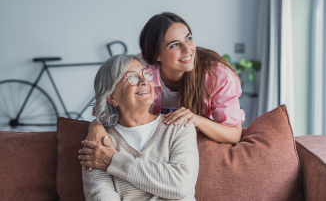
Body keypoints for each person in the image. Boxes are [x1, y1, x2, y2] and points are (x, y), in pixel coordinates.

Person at [82, 12, 245, 170]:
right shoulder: (141, 70)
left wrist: (197, 120)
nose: (187, 49)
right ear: (156, 55)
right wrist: (96, 126)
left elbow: (234, 134)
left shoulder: (218, 76)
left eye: (188, 38)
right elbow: (110, 101)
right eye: (174, 45)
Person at [80, 54, 199, 201]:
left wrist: (113, 160)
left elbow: (181, 185)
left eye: (145, 74)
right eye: (132, 77)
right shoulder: (99, 142)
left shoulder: (179, 126)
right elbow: (101, 195)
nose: (144, 81)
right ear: (111, 97)